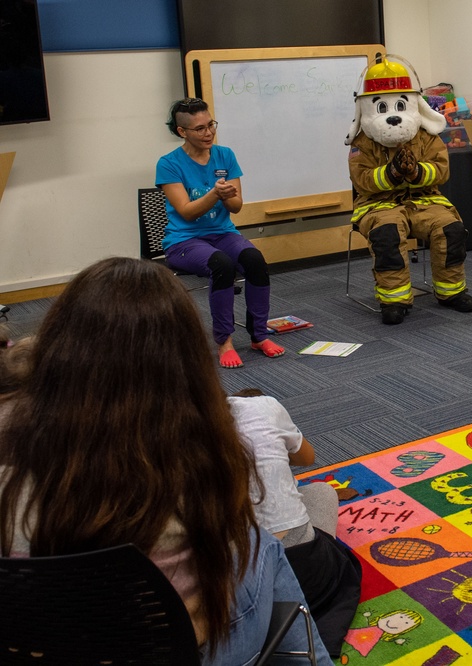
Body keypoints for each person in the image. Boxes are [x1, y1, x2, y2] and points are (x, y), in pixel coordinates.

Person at [0, 257, 330, 664]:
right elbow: (222, 563)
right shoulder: (197, 453)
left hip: (43, 647)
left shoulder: (12, 437)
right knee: (263, 544)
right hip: (180, 653)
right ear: (183, 360)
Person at [229, 388, 362, 657]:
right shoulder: (266, 407)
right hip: (307, 578)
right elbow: (307, 458)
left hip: (237, 595)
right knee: (322, 493)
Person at [346, 57, 472, 325]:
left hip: (426, 201)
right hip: (378, 206)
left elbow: (441, 170)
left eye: (399, 104)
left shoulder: (426, 136)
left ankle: (451, 291)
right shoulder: (362, 143)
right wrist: (392, 173)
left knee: (450, 228)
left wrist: (416, 172)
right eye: (382, 106)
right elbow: (362, 181)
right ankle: (394, 300)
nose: (392, 114)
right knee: (387, 233)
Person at [156, 97, 285, 368]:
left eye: (211, 125)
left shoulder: (225, 155)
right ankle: (224, 341)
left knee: (255, 261)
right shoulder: (168, 164)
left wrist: (226, 196)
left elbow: (236, 207)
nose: (209, 133)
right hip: (184, 241)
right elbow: (187, 212)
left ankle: (259, 336)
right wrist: (215, 193)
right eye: (200, 128)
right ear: (182, 132)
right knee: (222, 266)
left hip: (223, 233)